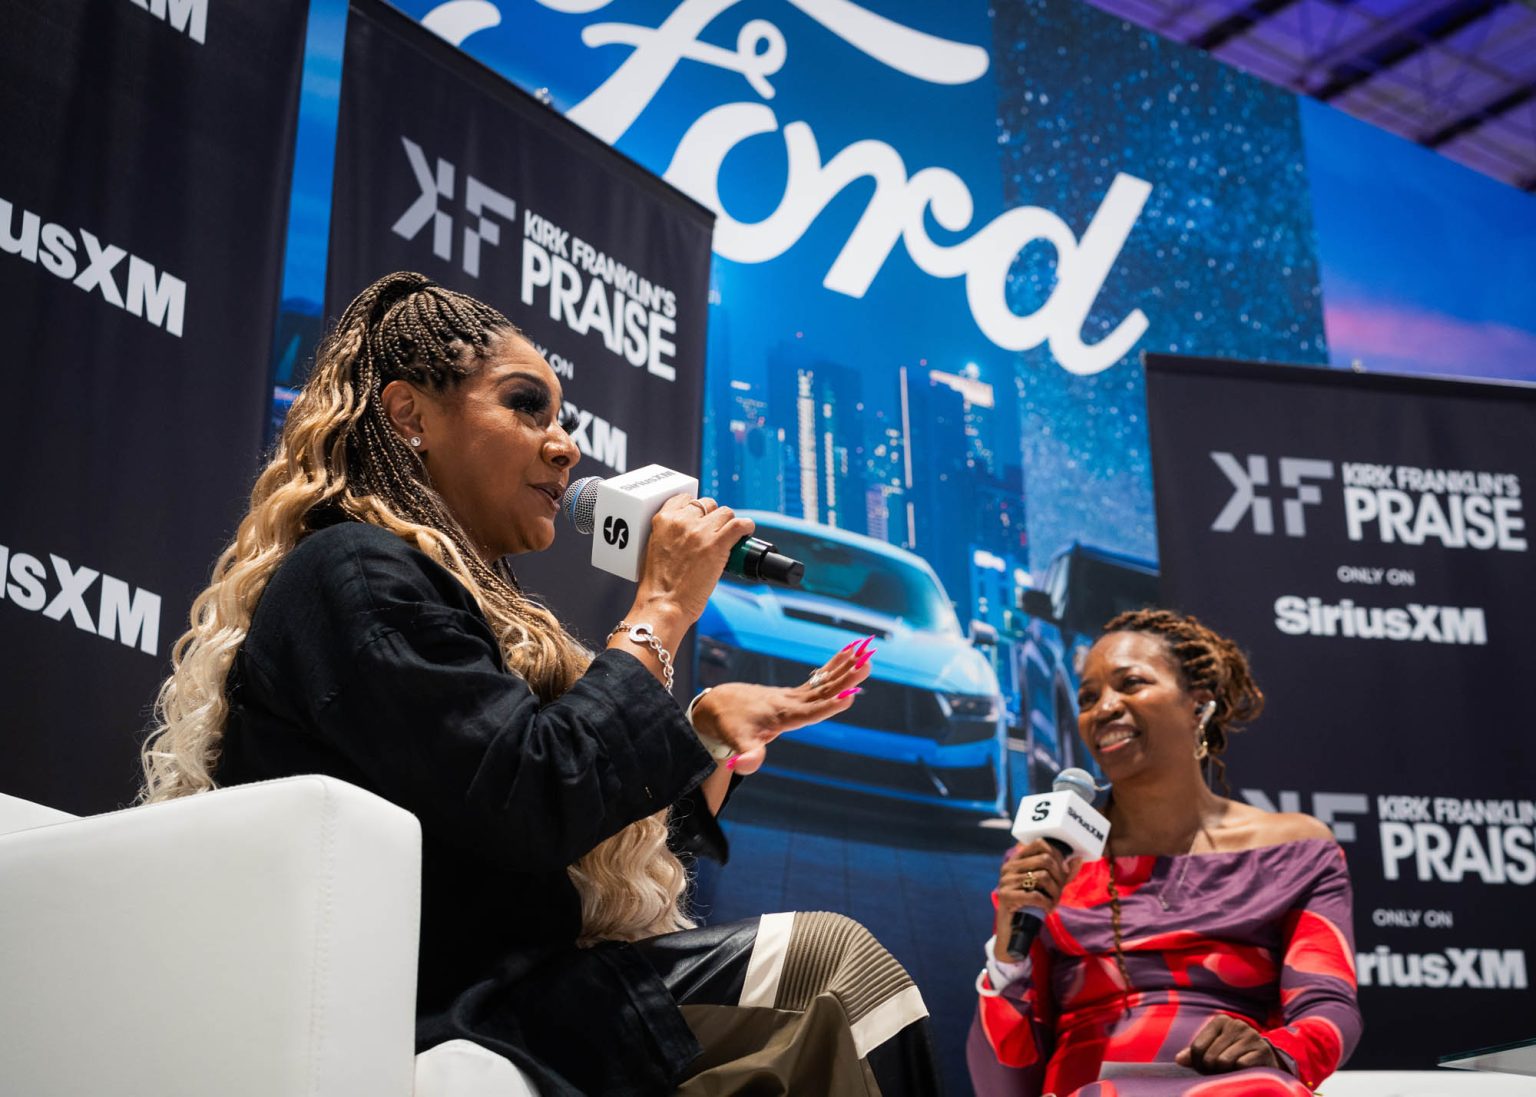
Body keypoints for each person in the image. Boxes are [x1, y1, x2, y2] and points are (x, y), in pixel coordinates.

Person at [140, 271, 939, 1095]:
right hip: (444, 1005)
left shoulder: (446, 598)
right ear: (410, 413)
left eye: (562, 418)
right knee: (836, 976)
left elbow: (542, 830)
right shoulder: (353, 571)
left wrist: (704, 745)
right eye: (527, 406)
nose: (565, 445)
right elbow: (527, 800)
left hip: (528, 997)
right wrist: (660, 610)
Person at [967, 609, 1360, 1096]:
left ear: (1198, 706)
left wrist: (1274, 1051)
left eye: (1130, 684)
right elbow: (1000, 1086)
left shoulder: (1295, 850)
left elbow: (1327, 1006)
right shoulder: (1048, 859)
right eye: (1088, 697)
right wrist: (1008, 956)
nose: (1104, 708)